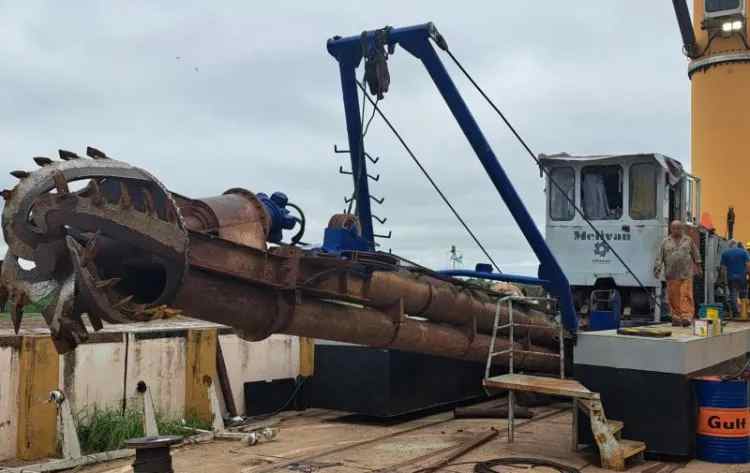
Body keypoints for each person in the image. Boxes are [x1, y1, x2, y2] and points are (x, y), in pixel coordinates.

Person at [654, 220, 702, 326]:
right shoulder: (665, 242)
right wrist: (657, 269)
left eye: (679, 228)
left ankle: (686, 317)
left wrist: (699, 267)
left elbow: (696, 254)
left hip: (686, 274)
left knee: (686, 295)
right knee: (673, 297)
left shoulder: (688, 240)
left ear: (682, 229)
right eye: (674, 228)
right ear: (671, 229)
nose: (677, 230)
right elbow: (659, 257)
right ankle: (676, 317)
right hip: (671, 274)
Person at [720, 240, 750, 318]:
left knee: (733, 294)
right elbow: (748, 265)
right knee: (743, 294)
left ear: (729, 245)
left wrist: (723, 279)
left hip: (731, 277)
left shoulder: (725, 253)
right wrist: (748, 274)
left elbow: (723, 268)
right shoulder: (744, 252)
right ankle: (744, 312)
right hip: (742, 277)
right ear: (736, 245)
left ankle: (735, 312)